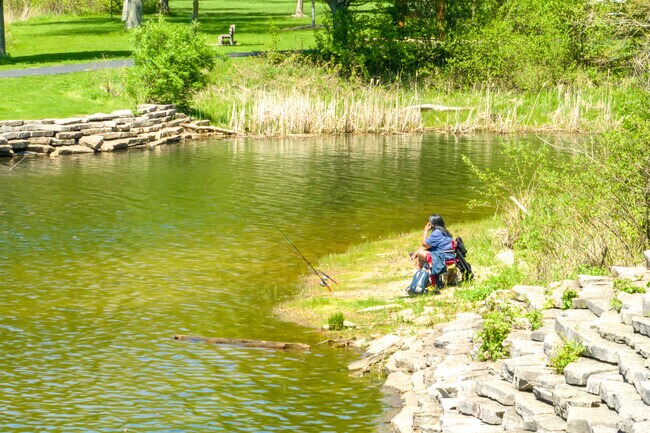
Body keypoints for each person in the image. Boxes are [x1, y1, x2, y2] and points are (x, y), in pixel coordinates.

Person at [411, 214, 454, 288]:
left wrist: (425, 230)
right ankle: (421, 279)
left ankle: (418, 281)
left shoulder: (437, 233)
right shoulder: (445, 231)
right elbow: (428, 246)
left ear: (432, 224)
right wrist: (415, 253)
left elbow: (424, 245)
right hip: (449, 255)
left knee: (420, 255)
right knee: (419, 255)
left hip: (442, 257)